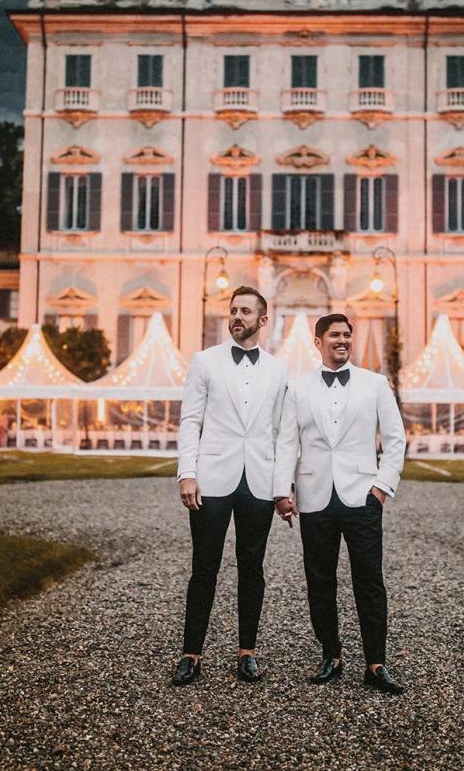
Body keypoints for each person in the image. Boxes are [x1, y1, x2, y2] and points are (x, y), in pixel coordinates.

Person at [273, 313, 408, 694]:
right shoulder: (297, 388)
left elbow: (396, 440)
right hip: (315, 497)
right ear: (318, 342)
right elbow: (287, 442)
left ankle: (376, 663)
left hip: (363, 497)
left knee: (370, 581)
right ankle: (330, 654)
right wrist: (282, 491)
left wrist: (381, 488)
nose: (342, 340)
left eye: (347, 335)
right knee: (320, 581)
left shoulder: (375, 384)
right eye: (334, 335)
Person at [172, 286, 289, 685]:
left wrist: (282, 486)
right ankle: (191, 654)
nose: (237, 316)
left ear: (262, 320)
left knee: (251, 568)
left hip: (258, 480)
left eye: (246, 311)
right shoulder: (204, 362)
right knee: (203, 567)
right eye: (233, 310)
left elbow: (281, 433)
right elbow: (191, 420)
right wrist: (187, 472)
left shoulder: (278, 369)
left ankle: (247, 652)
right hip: (212, 478)